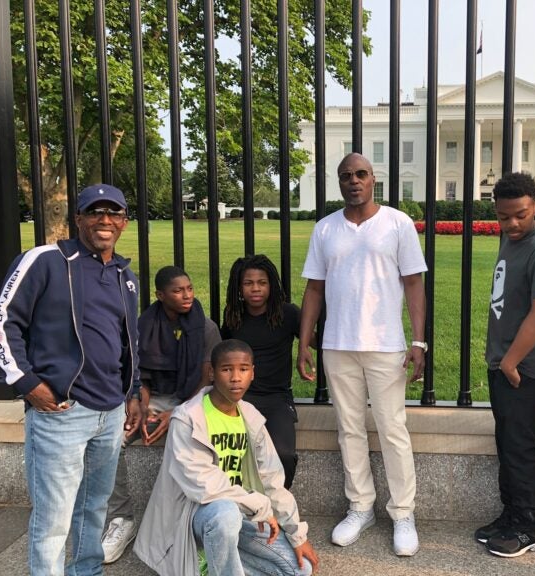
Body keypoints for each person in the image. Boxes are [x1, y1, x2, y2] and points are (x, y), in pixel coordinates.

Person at [0, 184, 141, 574]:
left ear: (124, 222)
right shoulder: (46, 261)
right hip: (61, 411)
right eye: (95, 212)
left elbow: (129, 341)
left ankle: (86, 570)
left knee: (95, 508)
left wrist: (133, 392)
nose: (104, 220)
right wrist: (26, 382)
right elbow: (3, 321)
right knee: (54, 518)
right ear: (79, 218)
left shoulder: (125, 275)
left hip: (109, 414)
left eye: (114, 213)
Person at [297, 152, 427, 557]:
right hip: (337, 344)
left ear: (374, 179)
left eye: (361, 174)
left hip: (386, 345)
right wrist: (304, 341)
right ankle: (361, 506)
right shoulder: (325, 229)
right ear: (339, 183)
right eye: (346, 176)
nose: (354, 181)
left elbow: (414, 284)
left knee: (392, 430)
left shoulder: (397, 224)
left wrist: (418, 342)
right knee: (349, 429)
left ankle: (403, 513)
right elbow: (314, 288)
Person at [134, 339, 319, 576]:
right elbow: (204, 485)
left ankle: (216, 565)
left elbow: (272, 480)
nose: (235, 377)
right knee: (225, 513)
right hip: (197, 519)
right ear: (212, 373)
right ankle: (213, 562)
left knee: (301, 569)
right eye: (226, 369)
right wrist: (258, 504)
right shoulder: (188, 418)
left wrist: (297, 535)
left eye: (243, 369)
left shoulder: (250, 417)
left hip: (244, 515)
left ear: (252, 373)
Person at [474, 172, 535, 559]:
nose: (512, 223)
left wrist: (511, 361)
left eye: (521, 215)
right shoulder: (511, 238)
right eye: (503, 216)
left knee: (521, 446)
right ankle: (512, 513)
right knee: (508, 443)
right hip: (505, 363)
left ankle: (531, 525)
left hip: (526, 367)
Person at [101, 266, 221, 563]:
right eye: (178, 290)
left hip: (192, 400)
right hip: (152, 397)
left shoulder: (205, 328)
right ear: (160, 295)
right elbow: (138, 375)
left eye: (189, 288)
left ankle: (187, 521)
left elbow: (207, 381)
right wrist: (141, 406)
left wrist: (176, 414)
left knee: (189, 441)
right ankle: (121, 519)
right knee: (112, 439)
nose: (187, 295)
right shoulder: (143, 325)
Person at [222, 254, 311, 489]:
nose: (255, 289)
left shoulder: (287, 313)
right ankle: (242, 504)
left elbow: (314, 340)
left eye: (262, 282)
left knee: (283, 454)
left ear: (271, 285)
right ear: (239, 287)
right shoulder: (233, 316)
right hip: (240, 398)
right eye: (248, 283)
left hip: (276, 398)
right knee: (235, 452)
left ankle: (276, 504)